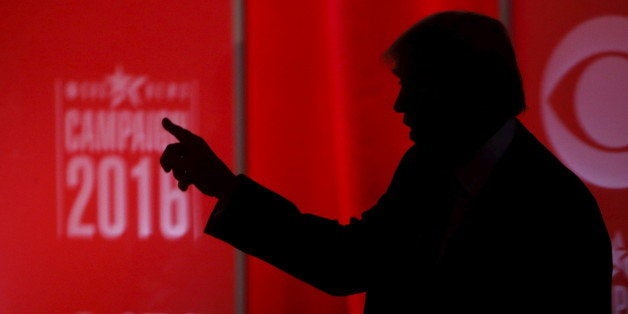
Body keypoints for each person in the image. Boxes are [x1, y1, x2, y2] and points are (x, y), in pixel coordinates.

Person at [160, 10, 612, 314]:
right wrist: (224, 185)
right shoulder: (426, 169)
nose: (400, 105)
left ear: (466, 89)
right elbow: (345, 262)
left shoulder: (558, 210)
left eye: (413, 85)